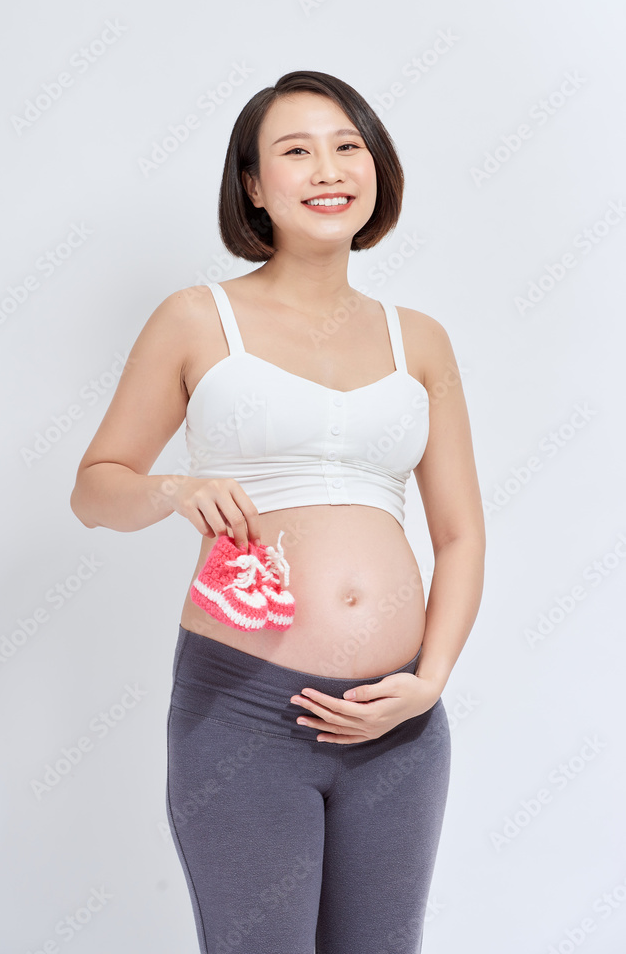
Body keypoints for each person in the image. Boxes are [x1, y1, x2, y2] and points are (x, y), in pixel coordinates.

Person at [70, 69, 486, 954]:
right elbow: (94, 488)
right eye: (294, 151)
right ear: (253, 186)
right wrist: (173, 490)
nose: (328, 168)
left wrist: (429, 681)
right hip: (245, 710)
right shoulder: (195, 319)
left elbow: (459, 533)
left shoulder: (421, 339)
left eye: (347, 146)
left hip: (398, 722)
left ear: (375, 168)